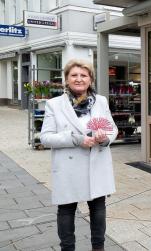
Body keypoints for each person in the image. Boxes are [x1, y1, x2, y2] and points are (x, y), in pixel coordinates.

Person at [40, 59, 118, 251]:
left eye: (83, 75)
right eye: (74, 75)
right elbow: (45, 138)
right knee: (66, 210)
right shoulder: (54, 104)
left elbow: (112, 129)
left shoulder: (101, 101)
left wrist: (104, 138)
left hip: (96, 163)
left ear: (90, 79)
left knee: (98, 209)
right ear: (66, 79)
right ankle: (68, 248)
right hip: (69, 167)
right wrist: (75, 139)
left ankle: (98, 247)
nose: (79, 79)